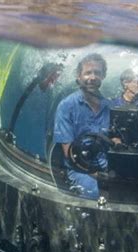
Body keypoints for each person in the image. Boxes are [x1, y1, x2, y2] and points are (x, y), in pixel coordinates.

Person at [53, 53, 110, 199]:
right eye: (87, 73)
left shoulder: (109, 106)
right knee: (96, 195)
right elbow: (70, 154)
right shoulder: (66, 106)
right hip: (80, 170)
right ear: (79, 77)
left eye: (97, 73)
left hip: (108, 167)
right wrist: (97, 175)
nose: (92, 77)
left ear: (103, 76)